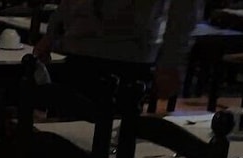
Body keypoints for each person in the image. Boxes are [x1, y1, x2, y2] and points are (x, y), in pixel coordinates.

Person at [33, 0, 204, 102]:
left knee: (115, 132)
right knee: (69, 129)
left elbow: (184, 14)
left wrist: (170, 62)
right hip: (78, 47)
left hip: (130, 54)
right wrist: (51, 34)